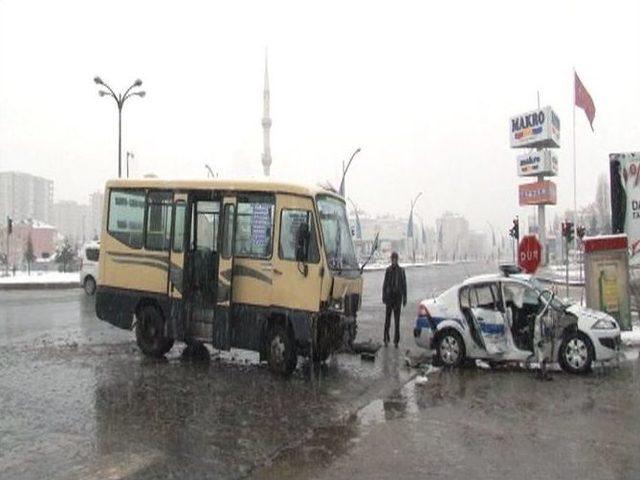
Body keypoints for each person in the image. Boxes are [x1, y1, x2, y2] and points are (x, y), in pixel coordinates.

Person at [382, 252, 407, 347]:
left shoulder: (401, 271)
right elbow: (385, 284)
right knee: (387, 320)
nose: (394, 261)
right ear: (391, 260)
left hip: (397, 298)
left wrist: (404, 298)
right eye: (392, 259)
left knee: (397, 321)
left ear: (397, 260)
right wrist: (384, 296)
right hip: (389, 298)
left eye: (395, 259)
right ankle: (386, 338)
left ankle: (396, 340)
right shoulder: (388, 270)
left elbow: (404, 285)